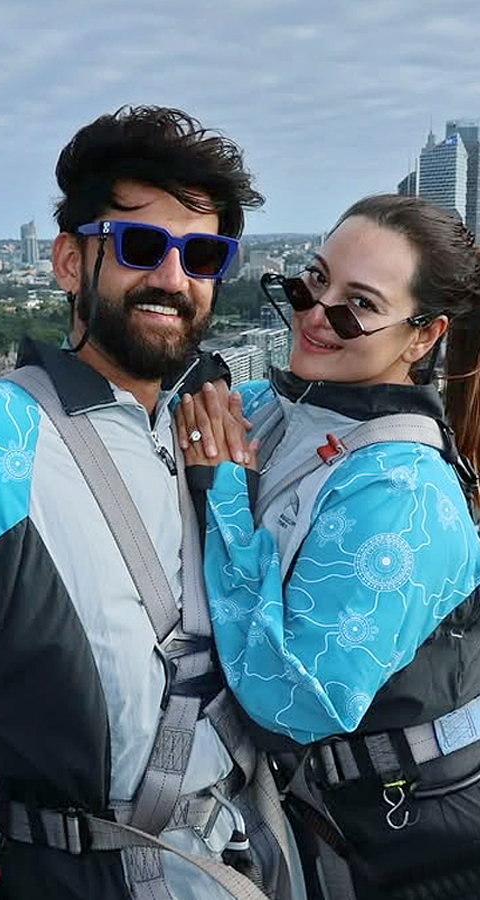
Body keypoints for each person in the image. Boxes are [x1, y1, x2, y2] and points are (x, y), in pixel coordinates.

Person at [0, 106, 306, 900]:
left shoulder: (195, 431)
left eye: (202, 255)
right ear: (70, 262)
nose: (173, 279)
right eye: (140, 245)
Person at [176, 194, 480, 898]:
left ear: (423, 337)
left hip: (414, 842)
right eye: (313, 281)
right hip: (325, 810)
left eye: (358, 306)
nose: (316, 314)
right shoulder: (284, 408)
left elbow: (291, 701)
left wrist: (223, 495)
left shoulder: (405, 496)